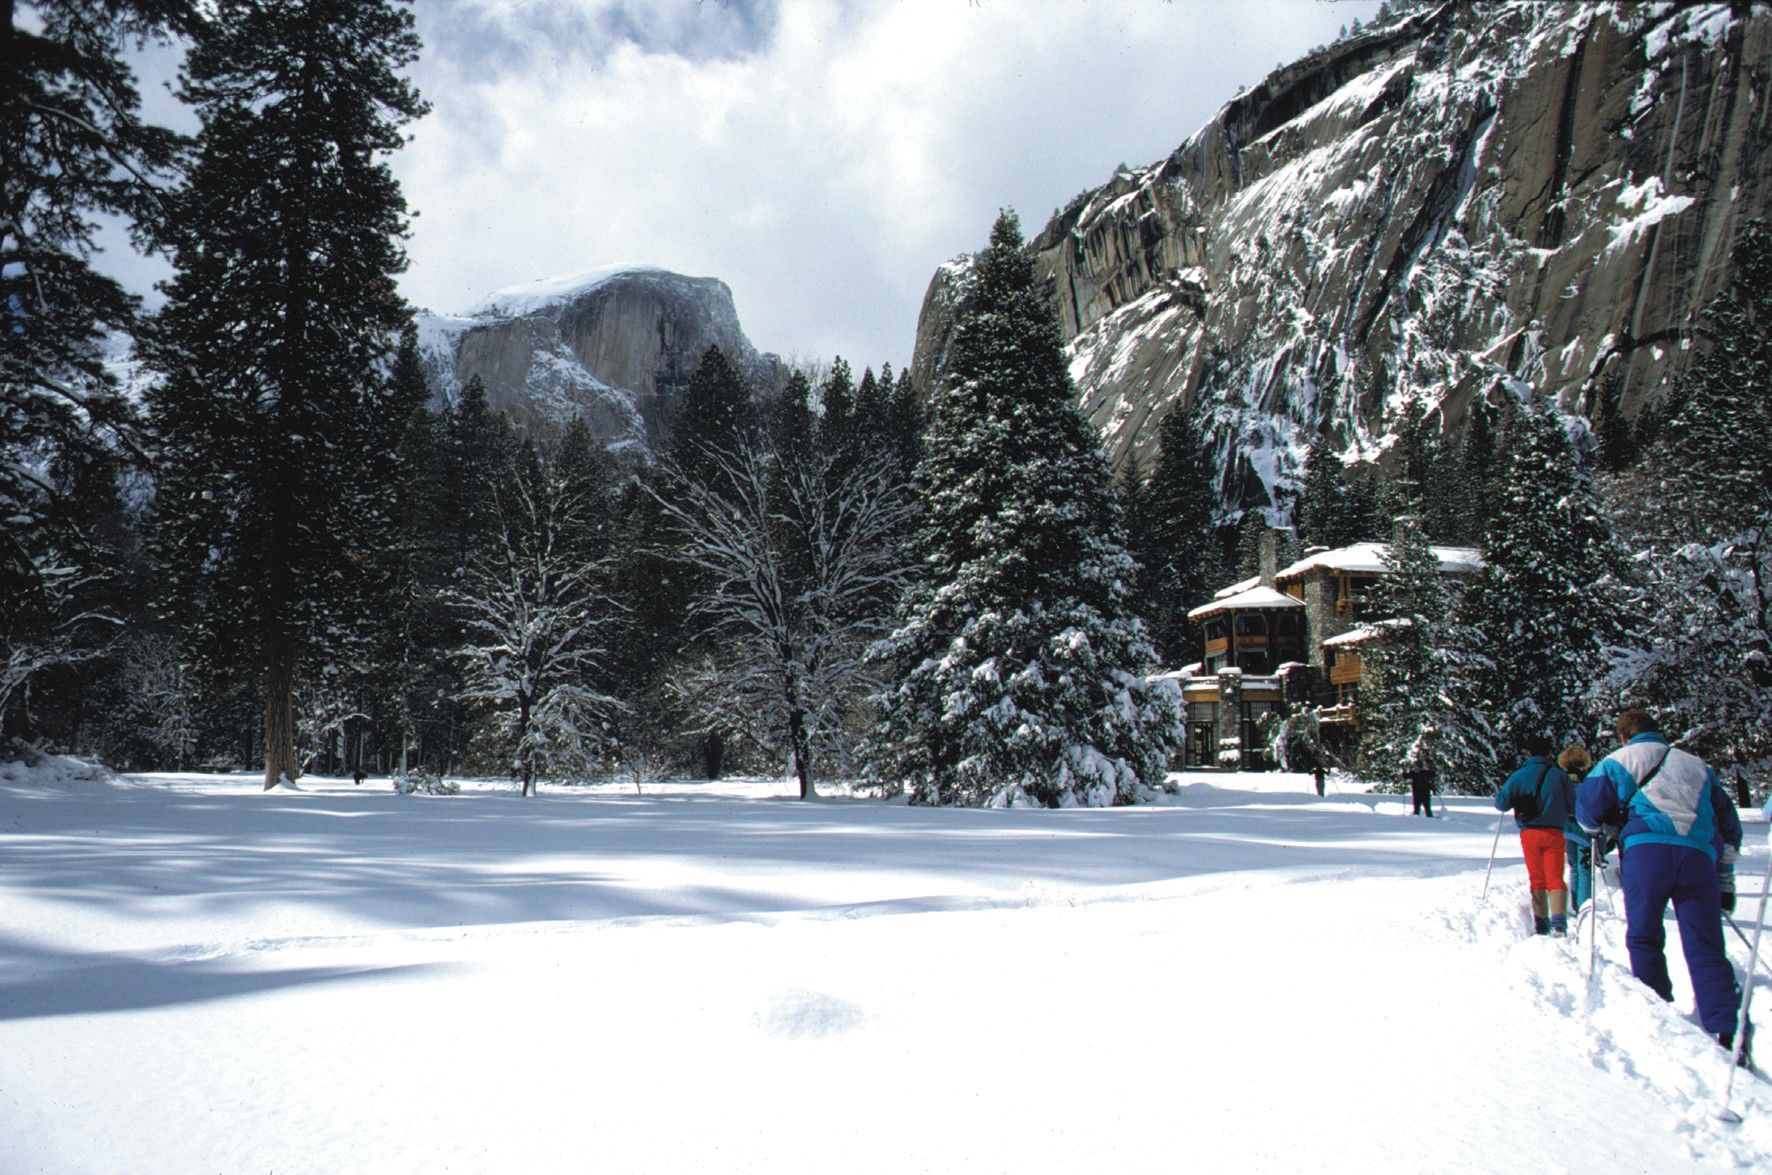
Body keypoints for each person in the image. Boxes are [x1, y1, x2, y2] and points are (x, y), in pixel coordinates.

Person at [1576, 707, 1748, 1063]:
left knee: (1644, 934)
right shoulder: (1698, 766)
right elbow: (1730, 825)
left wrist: (1601, 830)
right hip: (1698, 856)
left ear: (1624, 736)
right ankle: (1727, 1027)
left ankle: (1658, 1010)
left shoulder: (1618, 760)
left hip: (1647, 852)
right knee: (1705, 942)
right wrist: (1725, 873)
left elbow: (1587, 811)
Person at [1494, 735, 1573, 936]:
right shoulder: (1559, 775)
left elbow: (1501, 804)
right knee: (1555, 877)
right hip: (1554, 832)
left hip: (1529, 833)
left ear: (1528, 753)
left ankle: (1541, 922)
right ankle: (1559, 923)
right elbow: (1573, 804)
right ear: (1549, 752)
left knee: (1536, 878)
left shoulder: (1518, 776)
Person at [1559, 744, 1596, 914]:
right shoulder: (1588, 779)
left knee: (1573, 866)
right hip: (1584, 827)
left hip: (1566, 826)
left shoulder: (1560, 779)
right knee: (1585, 868)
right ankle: (1584, 906)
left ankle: (1575, 904)